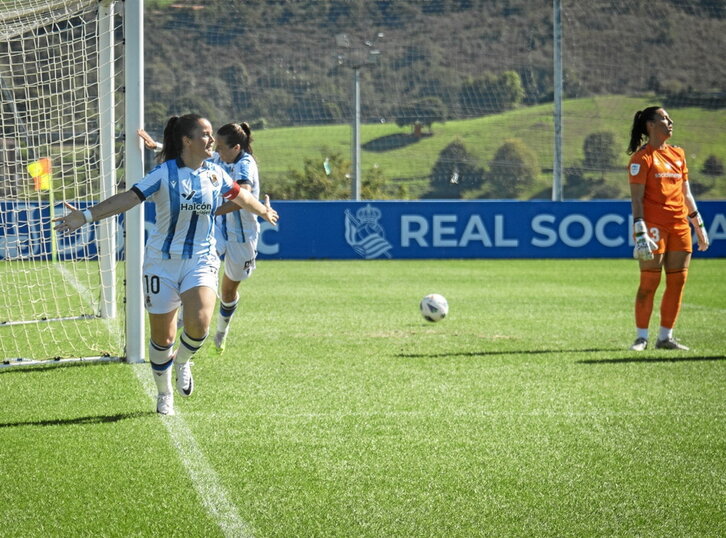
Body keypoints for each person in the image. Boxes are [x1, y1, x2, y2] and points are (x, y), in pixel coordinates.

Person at [55, 114, 279, 415]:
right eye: (205, 134)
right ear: (187, 141)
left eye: (211, 134)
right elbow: (127, 199)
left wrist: (264, 210)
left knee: (199, 325)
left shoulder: (216, 174)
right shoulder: (163, 174)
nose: (211, 140)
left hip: (201, 259)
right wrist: (85, 216)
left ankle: (183, 361)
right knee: (164, 338)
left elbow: (242, 197)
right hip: (161, 263)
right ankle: (164, 393)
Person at [139, 123, 263, 352]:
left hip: (242, 235)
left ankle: (221, 332)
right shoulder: (220, 158)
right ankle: (186, 318)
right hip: (215, 231)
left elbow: (241, 198)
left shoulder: (245, 164)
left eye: (221, 147)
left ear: (236, 148)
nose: (216, 149)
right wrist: (157, 146)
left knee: (228, 291)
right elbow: (192, 153)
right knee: (199, 270)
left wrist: (211, 208)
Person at [626, 106, 709, 351]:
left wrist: (698, 224)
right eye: (664, 118)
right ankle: (641, 337)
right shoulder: (641, 158)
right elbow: (637, 199)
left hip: (680, 225)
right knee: (649, 282)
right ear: (650, 125)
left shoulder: (678, 154)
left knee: (678, 281)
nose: (670, 122)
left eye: (670, 118)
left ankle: (665, 337)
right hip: (653, 226)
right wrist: (640, 230)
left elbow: (686, 193)